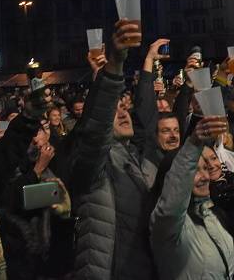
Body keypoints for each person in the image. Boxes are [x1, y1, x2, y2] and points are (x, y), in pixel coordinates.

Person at [70, 21, 160, 280]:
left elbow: (147, 117)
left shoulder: (133, 155)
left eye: (125, 107)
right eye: (115, 109)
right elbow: (96, 128)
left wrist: (148, 62)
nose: (123, 112)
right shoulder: (94, 165)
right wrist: (114, 65)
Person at [150, 116, 234, 280]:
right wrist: (194, 143)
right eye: (195, 171)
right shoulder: (167, 225)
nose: (204, 176)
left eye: (205, 169)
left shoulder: (209, 213)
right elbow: (173, 201)